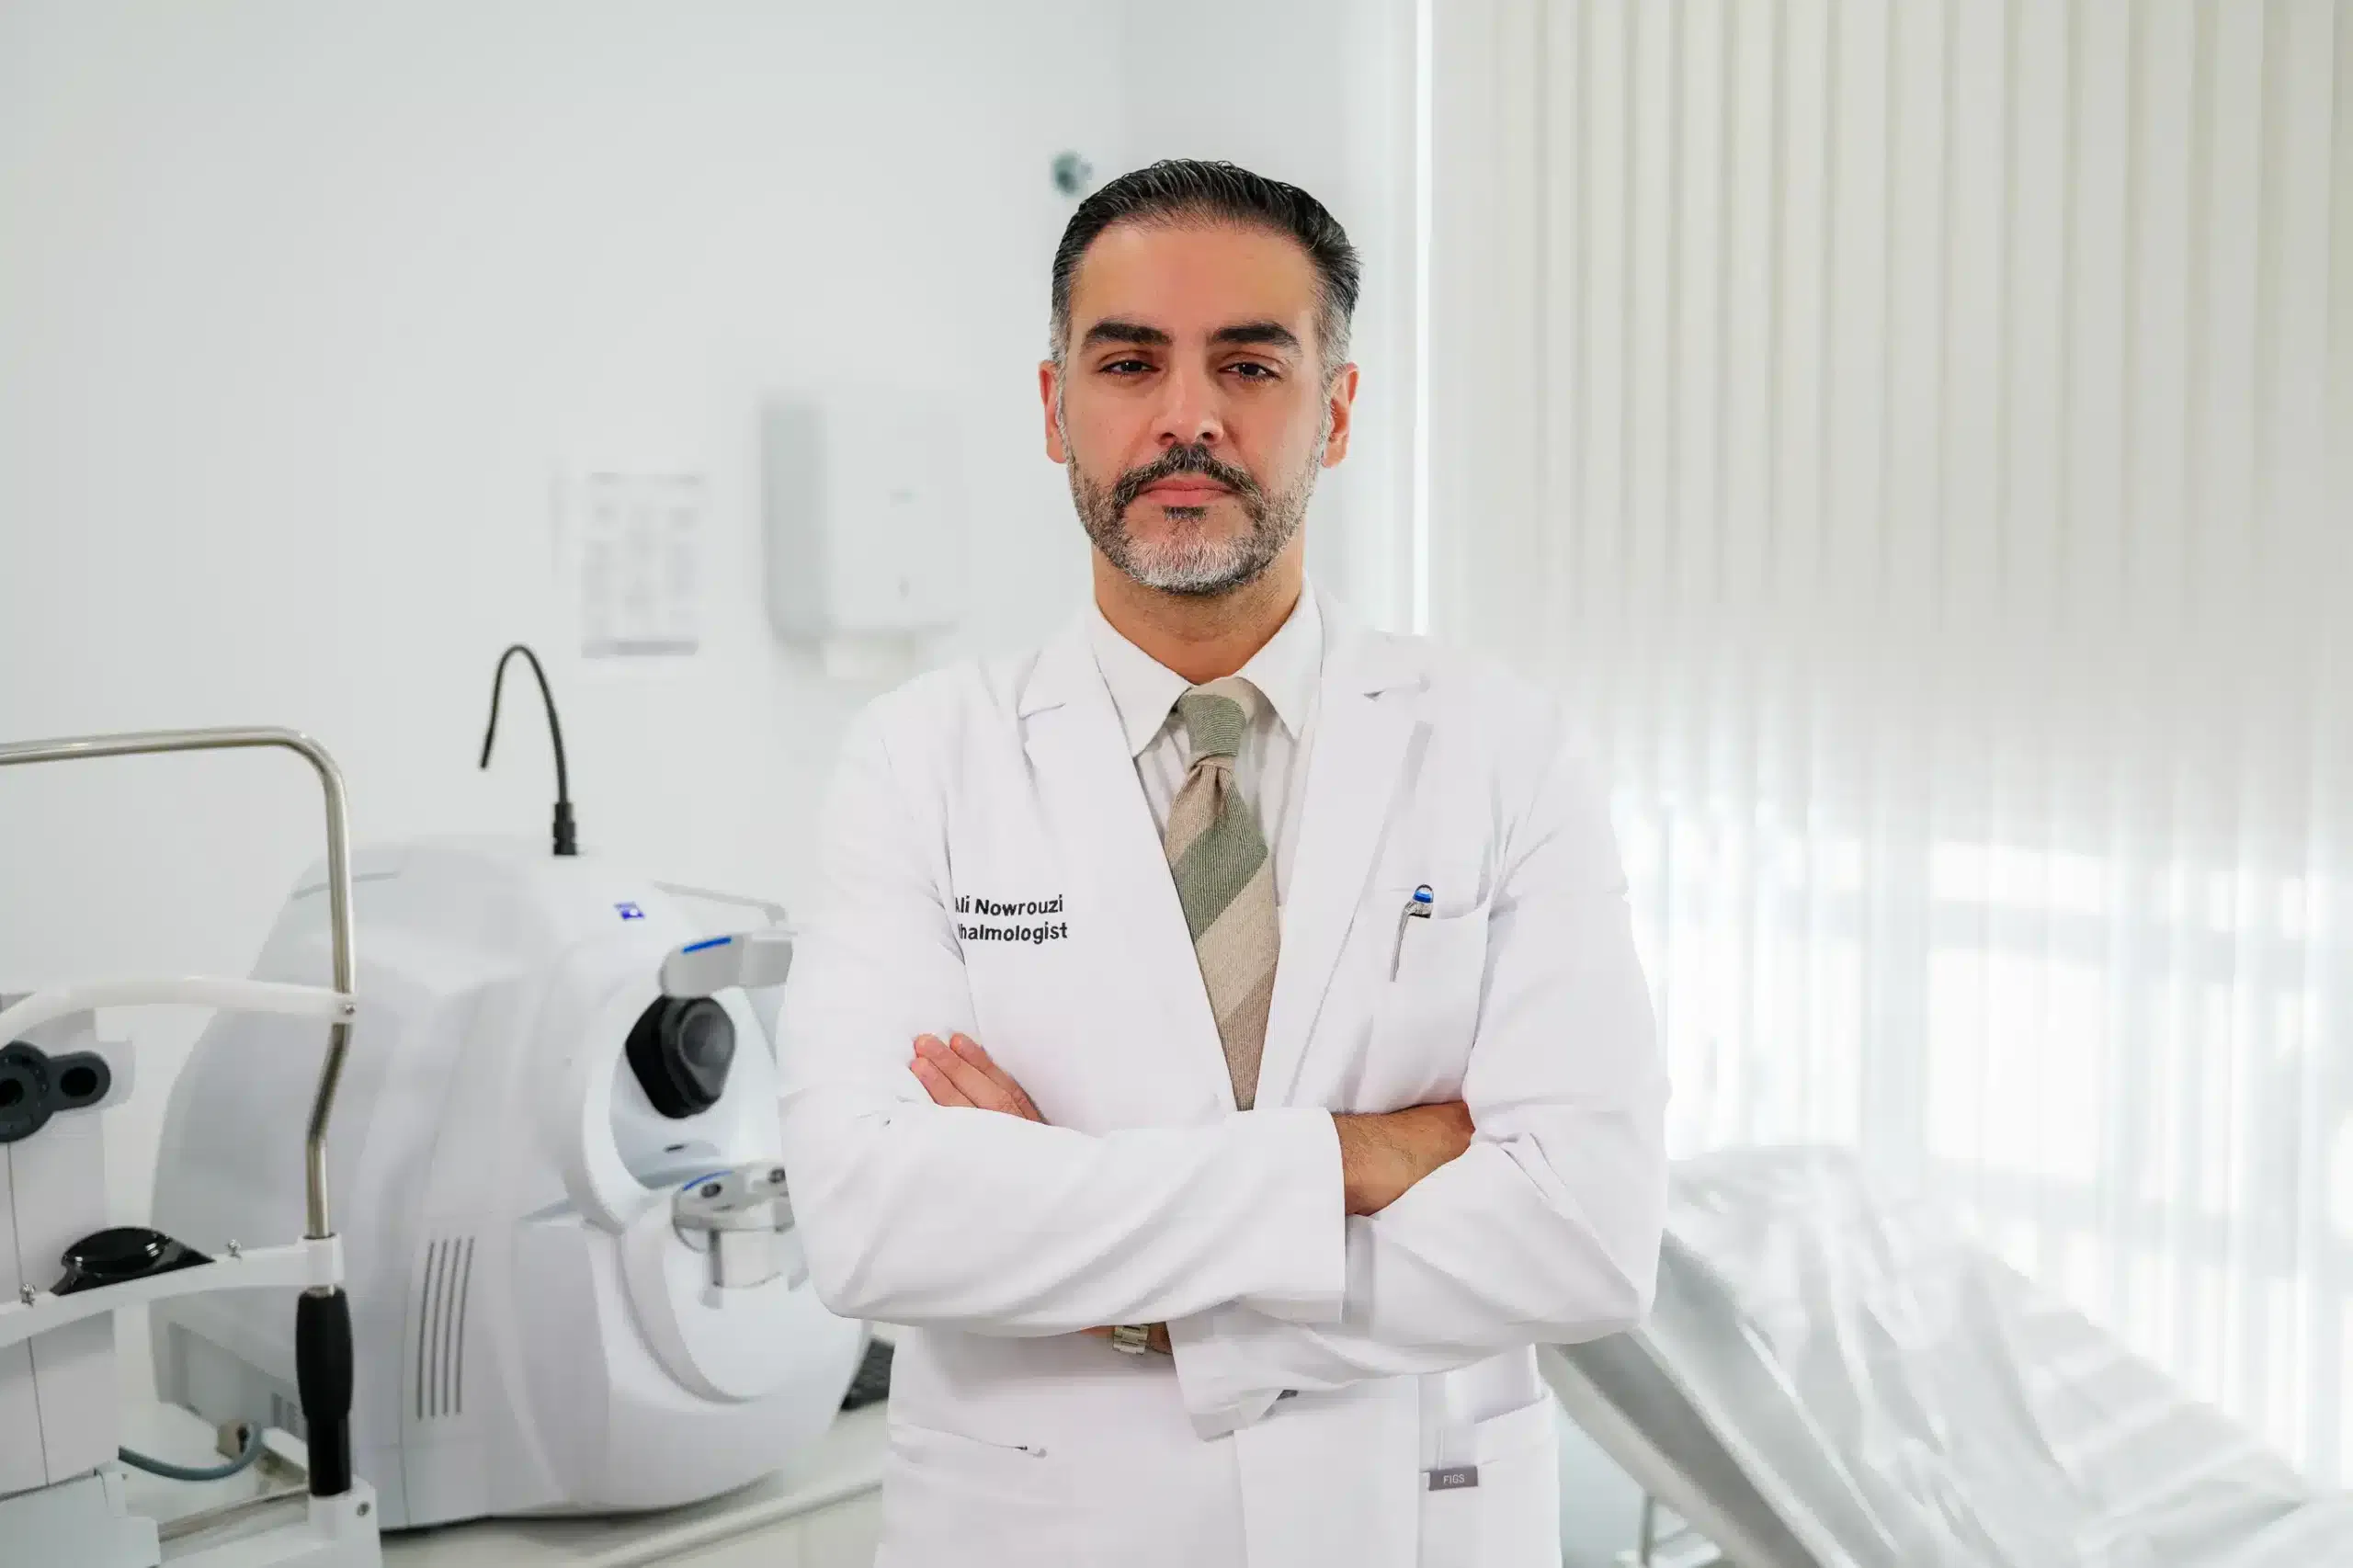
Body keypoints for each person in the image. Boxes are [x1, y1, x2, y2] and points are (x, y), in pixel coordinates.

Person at [779, 159, 1665, 1568]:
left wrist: (1100, 1269)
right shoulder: (918, 760)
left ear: (1339, 408)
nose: (1186, 417)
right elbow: (871, 1221)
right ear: (1057, 405)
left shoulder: (1503, 747)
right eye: (1130, 361)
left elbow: (1589, 1233)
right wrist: (1360, 1158)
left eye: (1249, 363)